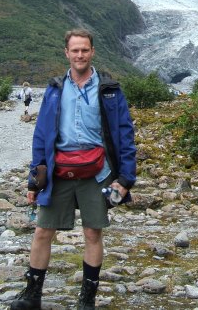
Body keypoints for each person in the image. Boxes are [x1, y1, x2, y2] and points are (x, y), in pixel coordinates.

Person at [10, 28, 137, 310]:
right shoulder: (55, 90)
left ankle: (87, 299)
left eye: (85, 50)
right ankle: (32, 295)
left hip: (98, 172)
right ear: (67, 53)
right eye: (75, 50)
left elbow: (125, 134)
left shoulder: (110, 91)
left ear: (92, 52)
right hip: (58, 171)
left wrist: (126, 178)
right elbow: (41, 136)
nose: (80, 55)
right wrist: (34, 181)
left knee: (93, 233)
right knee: (43, 230)